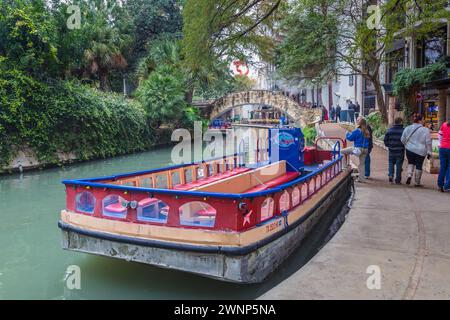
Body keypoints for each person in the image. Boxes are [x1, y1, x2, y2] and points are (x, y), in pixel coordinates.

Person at [401, 114, 432, 187]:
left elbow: (402, 139)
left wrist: (407, 145)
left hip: (409, 149)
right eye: (423, 120)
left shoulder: (407, 128)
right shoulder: (425, 130)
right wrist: (429, 152)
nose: (424, 121)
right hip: (421, 151)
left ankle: (409, 175)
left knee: (410, 163)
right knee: (419, 165)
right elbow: (428, 142)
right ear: (420, 121)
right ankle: (417, 182)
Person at [341, 117, 371, 182]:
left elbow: (350, 138)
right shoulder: (367, 131)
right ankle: (362, 179)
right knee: (362, 164)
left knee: (341, 152)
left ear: (359, 124)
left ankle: (345, 167)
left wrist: (347, 133)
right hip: (365, 149)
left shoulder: (357, 131)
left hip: (358, 148)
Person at [384, 117, 405, 184]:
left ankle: (390, 175)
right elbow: (405, 140)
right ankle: (398, 180)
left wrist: (389, 145)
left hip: (391, 150)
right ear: (401, 122)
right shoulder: (403, 131)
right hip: (400, 150)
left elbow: (385, 140)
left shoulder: (389, 130)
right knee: (399, 165)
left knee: (391, 163)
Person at [438, 116, 450, 192]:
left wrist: (441, 144)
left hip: (442, 148)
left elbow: (440, 136)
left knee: (443, 166)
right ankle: (447, 185)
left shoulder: (444, 124)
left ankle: (440, 185)